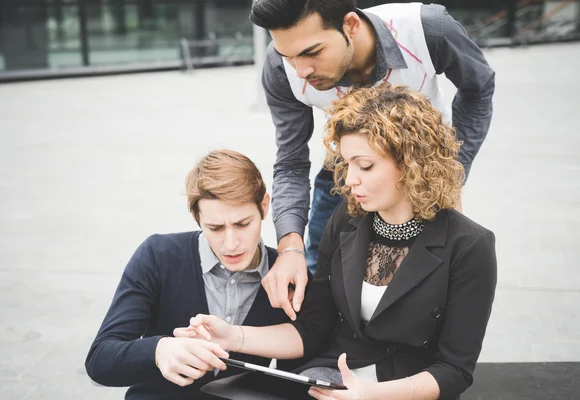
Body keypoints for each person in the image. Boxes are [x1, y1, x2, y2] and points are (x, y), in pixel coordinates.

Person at [176, 84, 498, 400]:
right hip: (327, 379)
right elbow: (313, 329)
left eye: (365, 165)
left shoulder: (469, 245)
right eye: (347, 164)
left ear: (410, 162)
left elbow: (455, 370)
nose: (350, 179)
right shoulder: (347, 218)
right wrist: (233, 336)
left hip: (404, 391)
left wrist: (372, 395)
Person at [251, 0, 496, 320]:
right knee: (316, 291)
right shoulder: (279, 68)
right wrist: (289, 248)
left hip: (422, 173)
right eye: (288, 56)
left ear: (351, 25)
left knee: (426, 294)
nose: (301, 70)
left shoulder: (427, 30)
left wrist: (449, 174)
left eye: (312, 52)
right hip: (342, 174)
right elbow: (291, 162)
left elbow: (478, 87)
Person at [84, 150, 294, 399]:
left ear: (264, 206)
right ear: (196, 217)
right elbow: (100, 360)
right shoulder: (157, 256)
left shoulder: (287, 276)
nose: (230, 244)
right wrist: (158, 351)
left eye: (242, 224)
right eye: (215, 228)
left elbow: (301, 375)